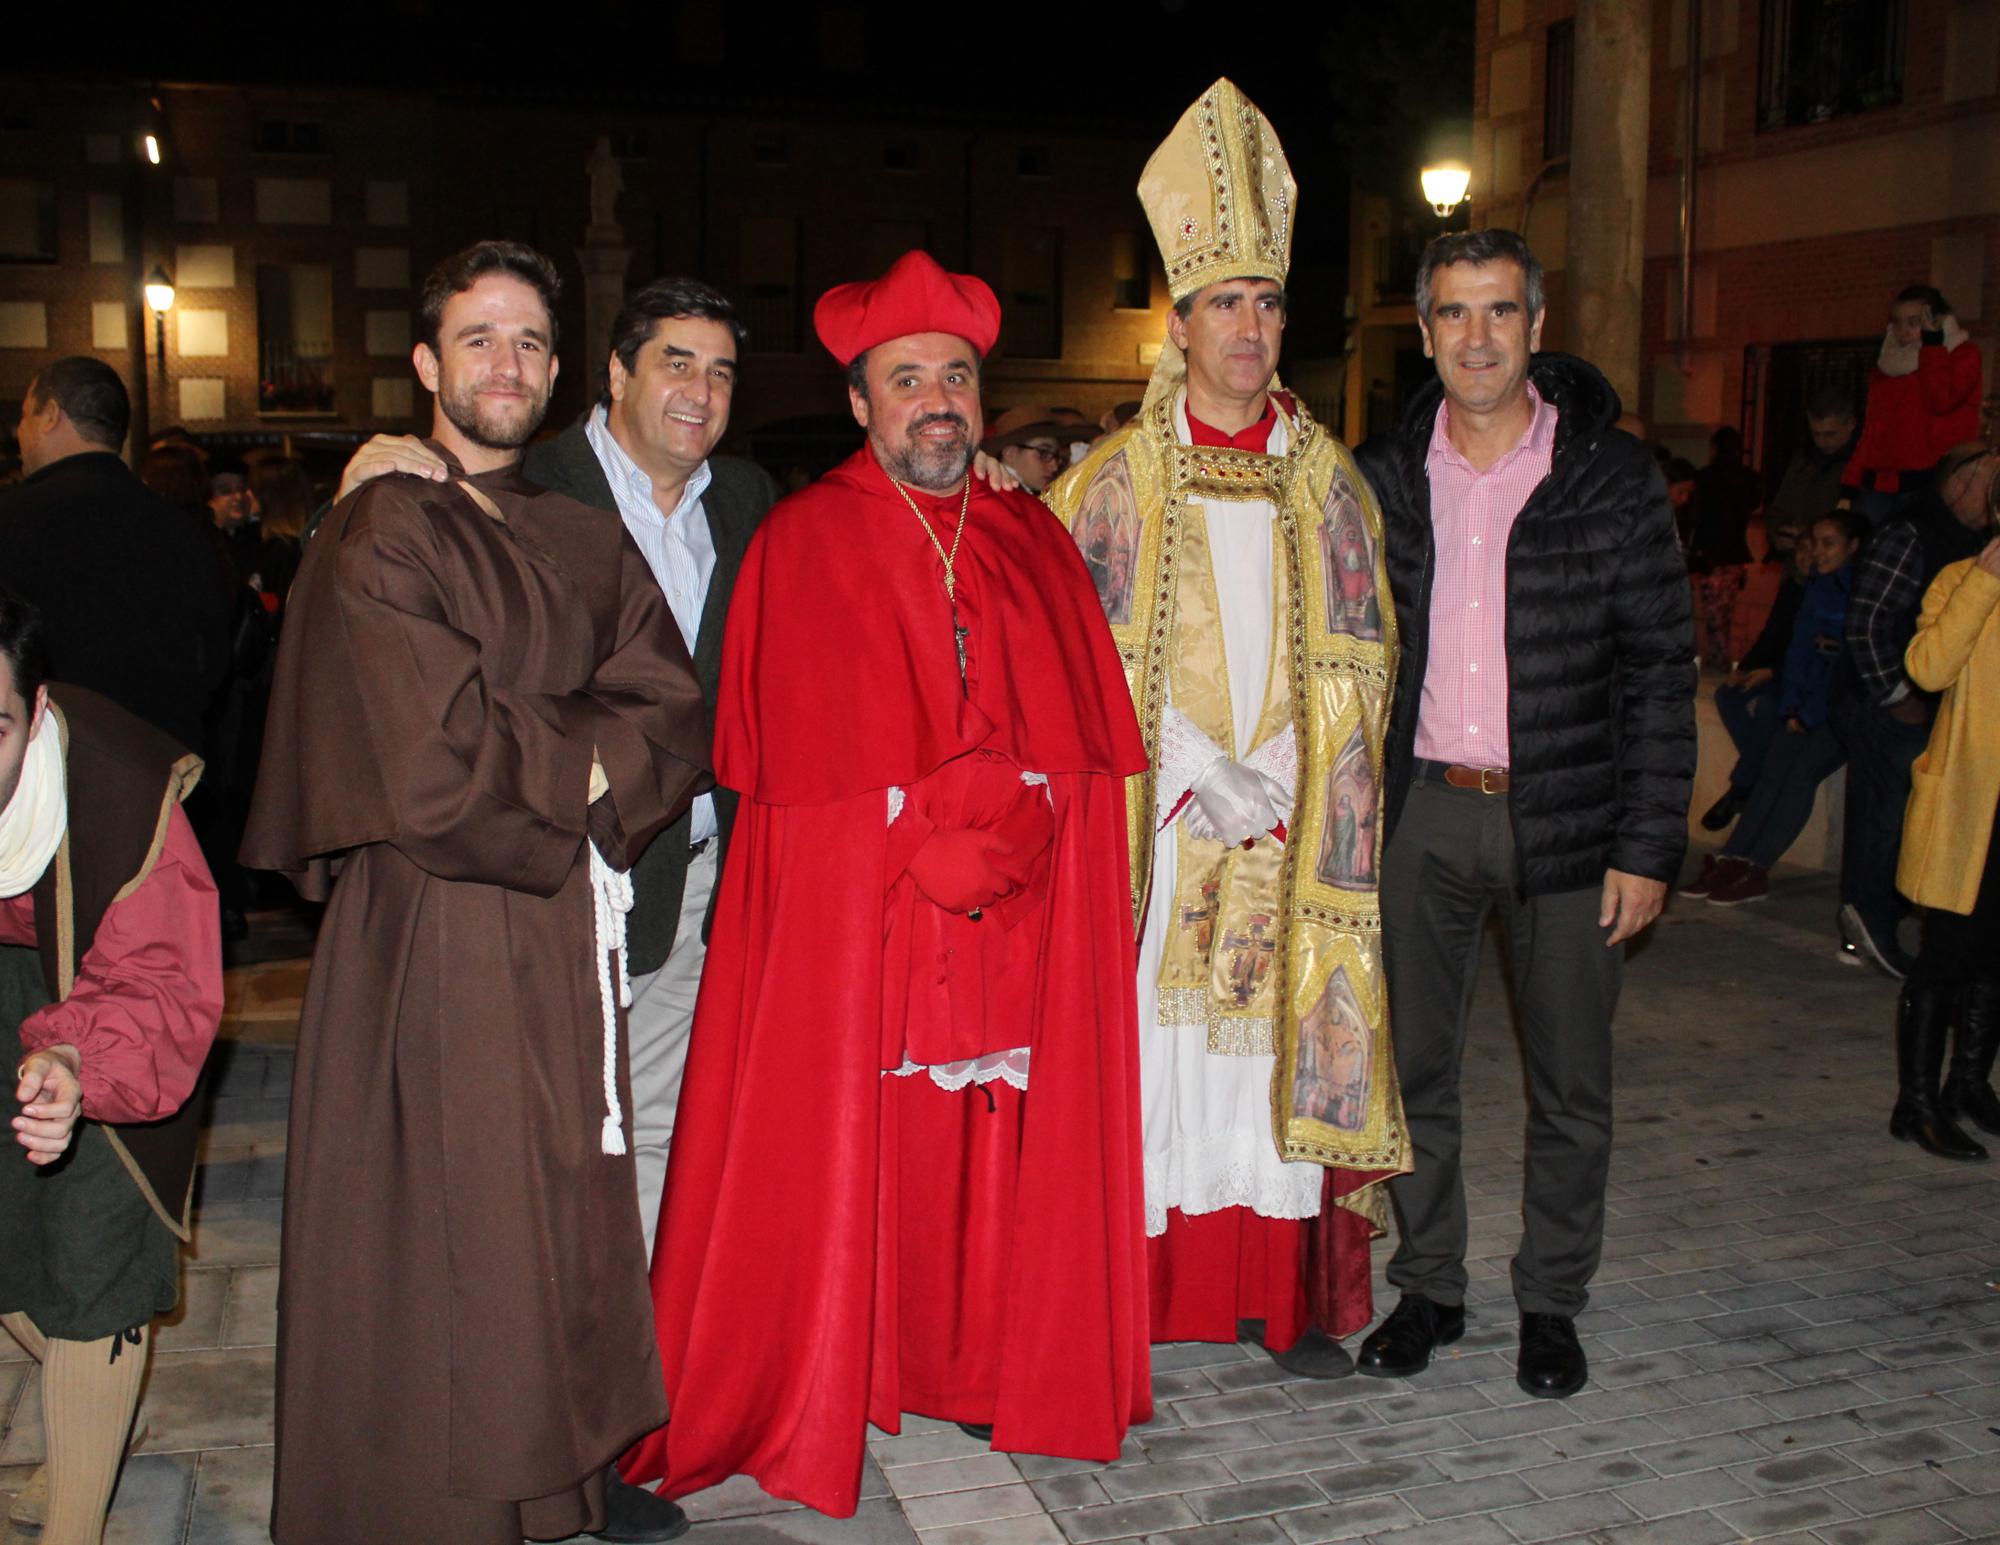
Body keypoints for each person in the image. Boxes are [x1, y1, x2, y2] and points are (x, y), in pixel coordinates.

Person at [623, 249, 1151, 1517]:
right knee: (856, 1152)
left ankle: (977, 1361)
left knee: (995, 1143)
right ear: (859, 402)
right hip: (868, 926)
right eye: (906, 380)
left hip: (1014, 913)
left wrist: (1017, 830)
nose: (936, 404)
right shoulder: (802, 539)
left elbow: (1080, 746)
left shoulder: (1030, 536)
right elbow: (795, 783)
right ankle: (843, 1363)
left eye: (954, 378)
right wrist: (917, 841)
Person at [240, 241, 710, 1545]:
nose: (506, 364)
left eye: (529, 343)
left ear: (558, 374)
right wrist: (583, 754)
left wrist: (559, 743)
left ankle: (557, 1480)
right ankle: (434, 1507)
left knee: (558, 1205)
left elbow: (668, 705)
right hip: (433, 925)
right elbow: (426, 757)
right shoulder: (383, 523)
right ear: (426, 363)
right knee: (451, 1220)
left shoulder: (582, 532)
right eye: (479, 338)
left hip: (562, 928)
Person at [1042, 77, 1406, 1380]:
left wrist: (1296, 768)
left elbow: (1363, 658)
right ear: (1180, 321)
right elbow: (1077, 660)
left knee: (1267, 1062)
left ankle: (1273, 1301)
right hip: (1162, 827)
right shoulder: (1108, 484)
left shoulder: (1333, 483)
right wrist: (1197, 769)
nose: (1247, 328)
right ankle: (1131, 1298)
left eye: (1265, 303)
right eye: (1222, 303)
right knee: (1160, 1059)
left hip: (1288, 826)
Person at [330, 276, 780, 1269]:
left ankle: (638, 1340)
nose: (700, 392)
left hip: (695, 875)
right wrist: (352, 488)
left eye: (720, 372)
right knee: (533, 1133)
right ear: (614, 373)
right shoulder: (520, 480)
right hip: (549, 875)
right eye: (675, 363)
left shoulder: (749, 499)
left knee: (658, 1131)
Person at [1354, 228, 1696, 1401]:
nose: (1477, 336)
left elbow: (1659, 669)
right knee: (1412, 1070)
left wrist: (1647, 847)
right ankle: (1429, 1287)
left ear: (1535, 326)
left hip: (1570, 821)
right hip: (1423, 813)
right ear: (1423, 331)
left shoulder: (1609, 475)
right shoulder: (1382, 475)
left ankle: (1550, 1302)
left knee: (1569, 1081)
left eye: (1499, 310)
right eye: (1452, 313)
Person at [0, 593, 221, 1545]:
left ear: (36, 710)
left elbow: (161, 980)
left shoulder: (120, 790)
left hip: (102, 990)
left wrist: (76, 1059)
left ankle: (76, 1516)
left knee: (95, 1253)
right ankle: (85, 1417)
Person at [0, 358, 230, 756]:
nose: (18, 432)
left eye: (24, 416)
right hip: (162, 763)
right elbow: (213, 657)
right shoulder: (182, 528)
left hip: (54, 761)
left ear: (51, 414)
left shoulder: (11, 520)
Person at [1837, 442, 2000, 977]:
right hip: (1888, 704)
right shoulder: (1913, 535)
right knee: (1884, 825)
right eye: (1990, 482)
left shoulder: (1967, 543)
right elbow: (1867, 623)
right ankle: (1868, 930)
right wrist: (1897, 696)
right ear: (1959, 482)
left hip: (1934, 715)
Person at [1893, 479, 2000, 1161]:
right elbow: (1927, 669)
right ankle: (1917, 1102)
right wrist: (1985, 583)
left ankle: (1969, 1084)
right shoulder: (1960, 580)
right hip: (1972, 803)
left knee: (1996, 956)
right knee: (1946, 957)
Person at [1684, 510, 1868, 905]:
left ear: (1853, 547)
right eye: (1815, 543)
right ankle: (1733, 857)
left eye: (1829, 544)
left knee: (1799, 774)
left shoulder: (1859, 591)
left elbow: (1843, 666)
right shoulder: (1816, 586)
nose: (1819, 552)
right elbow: (1800, 651)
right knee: (1772, 767)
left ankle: (1757, 866)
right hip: (1806, 703)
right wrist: (1792, 707)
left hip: (1843, 711)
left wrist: (1807, 712)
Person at [1700, 521, 1811, 831]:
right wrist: (1746, 668)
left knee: (1767, 708)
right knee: (1727, 695)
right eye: (1801, 550)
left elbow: (1814, 653)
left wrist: (1773, 672)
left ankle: (1741, 787)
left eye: (1812, 550)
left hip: (1801, 679)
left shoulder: (1829, 593)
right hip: (1778, 669)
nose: (1805, 557)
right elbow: (1771, 635)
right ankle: (1758, 770)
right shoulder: (1793, 587)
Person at [1843, 285, 1983, 520]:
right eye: (1897, 322)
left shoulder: (1962, 356)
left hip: (1931, 481)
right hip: (1881, 482)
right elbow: (1873, 430)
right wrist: (1850, 483)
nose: (1903, 331)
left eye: (1914, 322)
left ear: (1937, 320)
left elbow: (1941, 401)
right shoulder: (1886, 367)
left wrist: (1932, 346)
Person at [1686, 426, 1760, 667]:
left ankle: (1718, 658)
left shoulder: (1705, 477)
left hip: (1711, 552)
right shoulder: (1748, 477)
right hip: (1735, 551)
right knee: (1724, 610)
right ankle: (1720, 656)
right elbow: (1753, 504)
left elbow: (1695, 515)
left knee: (1713, 611)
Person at [1767, 388, 1858, 540]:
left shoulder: (1863, 467)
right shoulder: (1803, 460)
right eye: (1815, 434)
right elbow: (1778, 511)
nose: (1822, 442)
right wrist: (1779, 532)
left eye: (1830, 434)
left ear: (1851, 424)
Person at [982, 405, 1069, 493]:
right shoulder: (997, 493)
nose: (1055, 467)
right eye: (1044, 453)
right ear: (1010, 453)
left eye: (1056, 456)